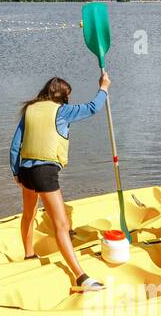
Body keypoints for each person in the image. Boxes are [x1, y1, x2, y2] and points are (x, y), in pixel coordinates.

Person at [10, 71, 112, 288]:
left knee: (29, 214)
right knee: (62, 224)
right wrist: (103, 87)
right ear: (64, 96)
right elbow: (93, 107)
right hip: (44, 172)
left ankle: (29, 255)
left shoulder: (30, 109)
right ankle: (81, 276)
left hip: (26, 170)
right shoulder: (63, 111)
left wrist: (16, 172)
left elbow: (15, 144)